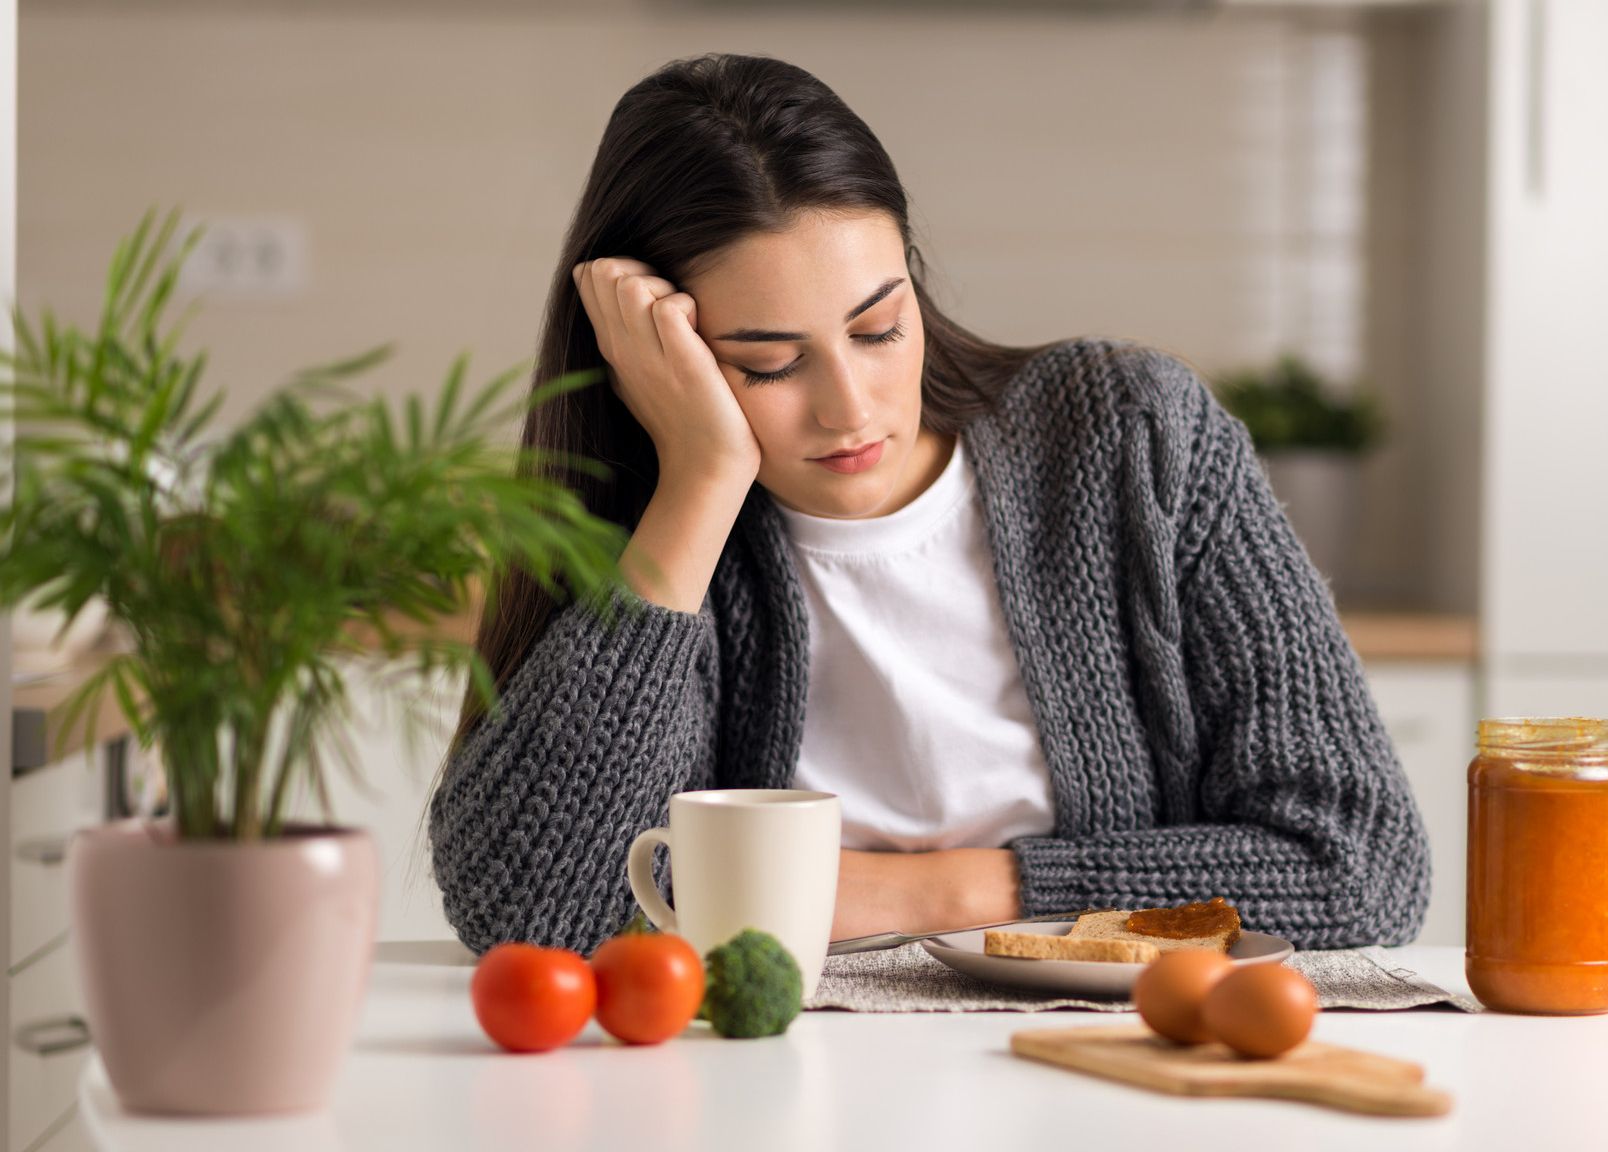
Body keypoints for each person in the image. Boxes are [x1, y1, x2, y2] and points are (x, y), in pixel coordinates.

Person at [427, 51, 1431, 959]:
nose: (851, 407)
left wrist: (916, 892)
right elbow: (535, 917)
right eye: (767, 364)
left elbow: (1357, 867)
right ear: (662, 362)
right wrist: (698, 480)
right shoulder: (652, 527)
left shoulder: (1132, 440)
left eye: (879, 327)